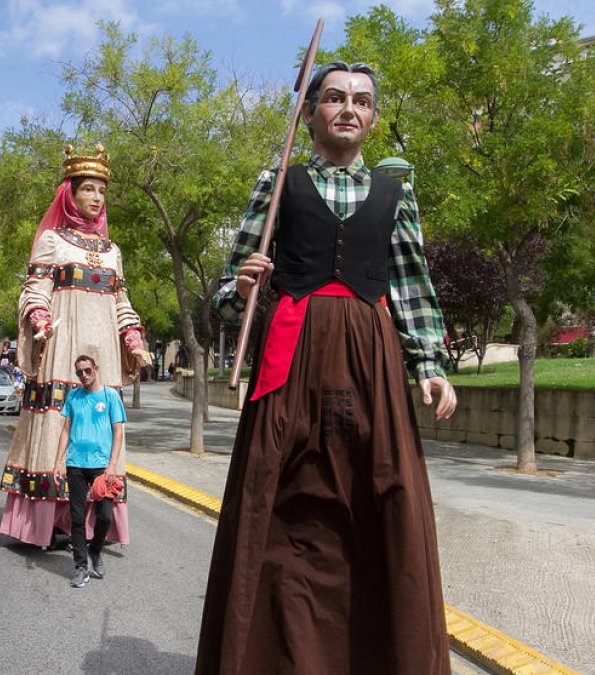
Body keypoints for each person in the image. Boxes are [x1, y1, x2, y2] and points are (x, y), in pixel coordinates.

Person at [195, 62, 458, 674]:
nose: (348, 109)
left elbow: (411, 285)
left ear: (372, 117)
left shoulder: (397, 192)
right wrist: (240, 285)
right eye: (335, 97)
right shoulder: (277, 182)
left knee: (381, 501)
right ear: (311, 110)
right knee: (279, 510)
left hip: (371, 369)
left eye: (362, 101)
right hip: (291, 367)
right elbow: (229, 300)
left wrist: (430, 363)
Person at [0, 144, 152, 548]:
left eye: (101, 190)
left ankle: (87, 522)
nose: (96, 197)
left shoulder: (113, 251)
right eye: (88, 189)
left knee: (102, 430)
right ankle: (46, 523)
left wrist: (133, 340)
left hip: (102, 350)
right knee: (58, 425)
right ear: (70, 193)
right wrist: (40, 321)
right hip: (63, 346)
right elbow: (36, 289)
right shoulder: (52, 241)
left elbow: (121, 301)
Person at [52, 355, 125, 588]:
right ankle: (81, 566)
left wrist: (112, 465)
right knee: (76, 518)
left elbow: (118, 432)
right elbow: (65, 431)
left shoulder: (110, 396)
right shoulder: (73, 396)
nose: (83, 375)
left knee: (105, 516)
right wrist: (57, 462)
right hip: (75, 465)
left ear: (96, 368)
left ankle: (95, 550)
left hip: (102, 467)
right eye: (79, 372)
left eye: (86, 370)